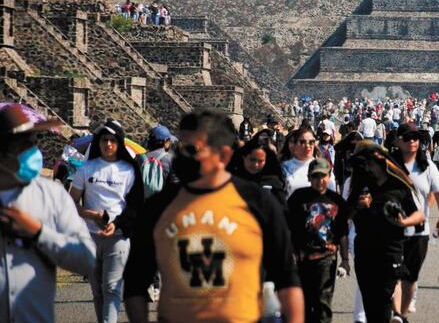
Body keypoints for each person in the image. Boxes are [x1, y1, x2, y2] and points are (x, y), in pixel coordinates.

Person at [124, 109, 304, 323]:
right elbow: (135, 281)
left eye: (194, 149)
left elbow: (287, 279)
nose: (185, 155)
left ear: (224, 154)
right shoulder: (159, 207)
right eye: (183, 147)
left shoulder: (258, 203)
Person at [0, 103, 96, 322]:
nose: (34, 151)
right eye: (25, 144)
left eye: (35, 142)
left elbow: (87, 260)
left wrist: (39, 233)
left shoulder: (51, 196)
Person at [70, 120, 143, 323]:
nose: (108, 144)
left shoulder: (129, 170)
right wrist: (90, 215)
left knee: (112, 288)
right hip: (90, 237)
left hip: (117, 237)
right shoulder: (86, 169)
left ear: (119, 143)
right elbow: (71, 202)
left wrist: (117, 224)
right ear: (98, 142)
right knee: (97, 291)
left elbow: (135, 206)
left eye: (112, 140)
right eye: (104, 140)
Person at [347, 141, 424, 323]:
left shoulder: (398, 186)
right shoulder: (361, 186)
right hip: (364, 252)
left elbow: (419, 215)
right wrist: (358, 206)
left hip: (390, 251)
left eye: (371, 162)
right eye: (365, 163)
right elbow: (346, 214)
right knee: (370, 304)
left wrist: (404, 221)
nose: (369, 167)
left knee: (383, 301)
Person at [392, 122, 439, 316]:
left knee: (410, 278)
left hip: (418, 231)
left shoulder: (426, 164)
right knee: (395, 276)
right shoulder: (388, 164)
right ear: (398, 141)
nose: (412, 141)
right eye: (407, 138)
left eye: (415, 138)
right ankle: (396, 314)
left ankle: (402, 314)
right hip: (392, 230)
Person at [287, 158, 349, 323]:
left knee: (322, 302)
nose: (319, 181)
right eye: (315, 177)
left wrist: (345, 260)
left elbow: (342, 232)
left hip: (326, 258)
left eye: (323, 176)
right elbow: (288, 227)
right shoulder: (298, 198)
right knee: (303, 301)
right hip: (301, 257)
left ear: (329, 177)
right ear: (309, 178)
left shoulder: (337, 201)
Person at [229, 130, 287, 207]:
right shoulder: (233, 179)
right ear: (244, 157)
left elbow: (282, 209)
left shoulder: (272, 182)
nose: (255, 165)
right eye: (252, 160)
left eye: (260, 161)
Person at [281, 126, 318, 199]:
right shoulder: (284, 168)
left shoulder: (322, 166)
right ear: (293, 145)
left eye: (311, 142)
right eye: (302, 142)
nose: (308, 146)